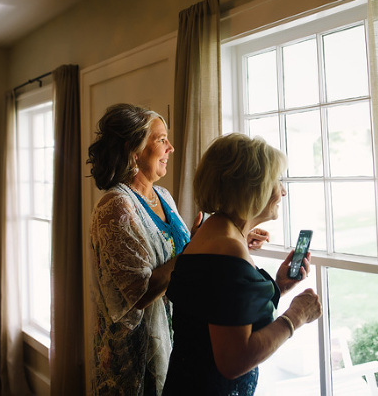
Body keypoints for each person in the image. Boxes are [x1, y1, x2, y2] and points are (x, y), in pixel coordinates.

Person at [86, 104, 269, 395]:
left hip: (172, 342)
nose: (170, 147)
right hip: (134, 357)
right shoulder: (115, 206)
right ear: (133, 149)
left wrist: (232, 242)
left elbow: (184, 258)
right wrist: (198, 248)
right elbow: (139, 293)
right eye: (161, 139)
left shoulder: (164, 196)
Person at [163, 133, 323, 395]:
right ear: (252, 188)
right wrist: (296, 316)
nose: (283, 190)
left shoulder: (212, 232)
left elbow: (224, 312)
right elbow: (234, 360)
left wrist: (278, 285)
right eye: (276, 181)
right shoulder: (228, 251)